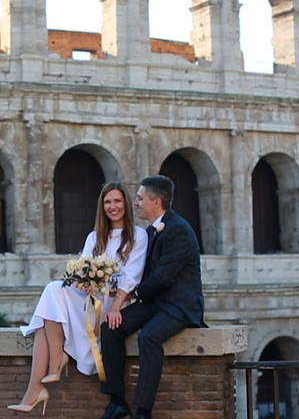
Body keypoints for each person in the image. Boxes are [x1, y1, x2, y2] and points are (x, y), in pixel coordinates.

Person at [8, 182, 148, 414]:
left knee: (45, 316)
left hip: (113, 302)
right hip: (89, 298)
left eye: (117, 201)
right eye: (107, 202)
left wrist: (115, 306)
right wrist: (83, 281)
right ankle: (50, 368)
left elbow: (132, 276)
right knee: (53, 291)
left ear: (126, 204)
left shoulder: (137, 236)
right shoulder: (94, 237)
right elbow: (82, 267)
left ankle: (38, 386)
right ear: (101, 207)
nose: (113, 207)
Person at [98, 175, 207, 419]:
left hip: (180, 306)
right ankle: (117, 401)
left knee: (148, 338)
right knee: (111, 328)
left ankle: (143, 411)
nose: (135, 202)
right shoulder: (151, 230)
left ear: (155, 202)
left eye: (139, 198)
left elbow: (163, 278)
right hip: (155, 303)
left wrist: (132, 294)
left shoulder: (179, 230)